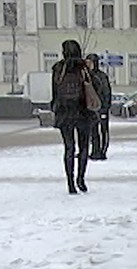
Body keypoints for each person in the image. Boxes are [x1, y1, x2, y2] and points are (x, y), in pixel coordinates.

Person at [51, 40, 98, 194]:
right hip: (83, 111)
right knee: (83, 147)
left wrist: (55, 108)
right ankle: (81, 179)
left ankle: (70, 182)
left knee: (69, 148)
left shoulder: (58, 68)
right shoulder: (83, 67)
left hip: (64, 112)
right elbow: (93, 87)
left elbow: (55, 91)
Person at [85, 53, 112, 160]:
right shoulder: (87, 76)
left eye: (90, 62)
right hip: (91, 109)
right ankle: (95, 150)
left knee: (103, 130)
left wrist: (105, 108)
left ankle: (102, 151)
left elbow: (106, 92)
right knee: (93, 130)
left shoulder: (101, 76)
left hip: (101, 108)